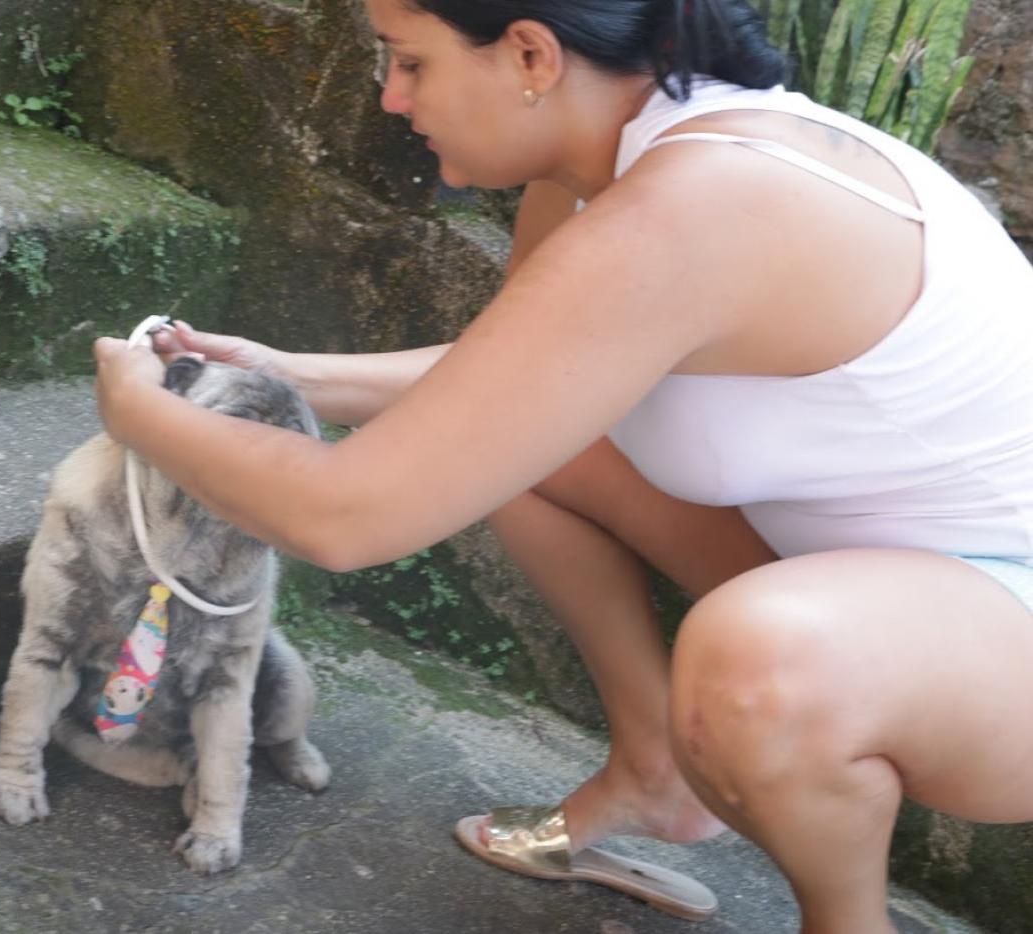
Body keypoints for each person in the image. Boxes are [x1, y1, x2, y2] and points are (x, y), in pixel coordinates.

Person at [90, 0, 1033, 929]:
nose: (389, 97)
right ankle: (654, 772)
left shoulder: (703, 203)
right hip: (870, 581)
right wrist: (285, 373)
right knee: (513, 448)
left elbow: (347, 517)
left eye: (410, 61)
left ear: (532, 55)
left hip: (1000, 634)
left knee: (762, 658)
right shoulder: (609, 163)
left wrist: (139, 412)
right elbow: (514, 383)